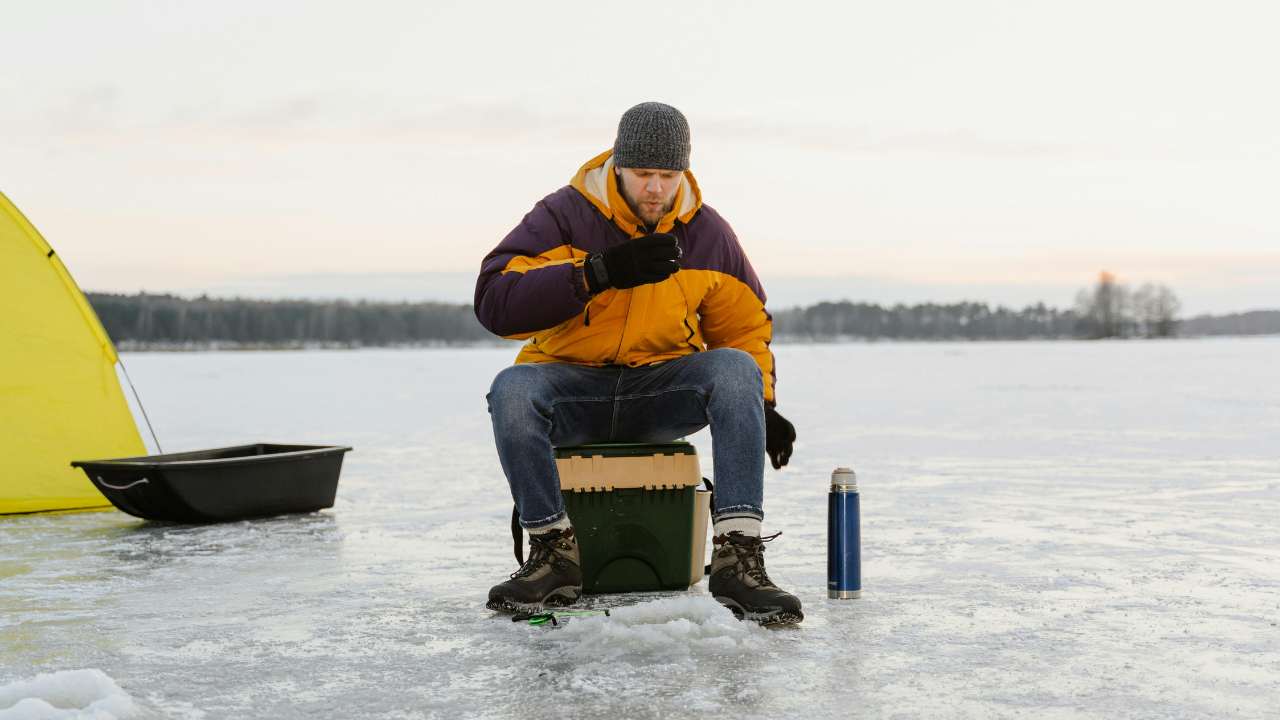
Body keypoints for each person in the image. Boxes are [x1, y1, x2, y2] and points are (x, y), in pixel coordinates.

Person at [473, 102, 801, 625]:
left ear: (683, 173)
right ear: (618, 166)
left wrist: (762, 403)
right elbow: (495, 300)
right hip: (572, 385)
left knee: (737, 369)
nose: (654, 188)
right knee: (512, 388)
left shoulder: (706, 233)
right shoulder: (564, 215)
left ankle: (738, 559)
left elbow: (742, 327)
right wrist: (595, 273)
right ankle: (552, 553)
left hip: (660, 388)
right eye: (643, 174)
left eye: (667, 175)